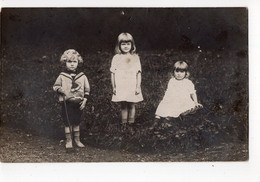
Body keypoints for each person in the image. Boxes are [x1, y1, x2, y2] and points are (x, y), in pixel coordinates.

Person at [53, 49, 90, 149]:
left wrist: (85, 100)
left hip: (79, 102)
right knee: (67, 121)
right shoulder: (62, 76)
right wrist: (60, 90)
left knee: (77, 121)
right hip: (67, 102)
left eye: (74, 62)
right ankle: (69, 141)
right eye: (69, 62)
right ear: (65, 63)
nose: (72, 64)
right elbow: (55, 86)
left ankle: (77, 140)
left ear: (78, 62)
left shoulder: (82, 76)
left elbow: (87, 89)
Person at [152, 61, 202, 127]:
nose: (179, 74)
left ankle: (171, 119)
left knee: (187, 106)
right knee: (163, 106)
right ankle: (156, 121)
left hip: (183, 100)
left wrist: (195, 102)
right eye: (177, 71)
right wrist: (165, 100)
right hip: (172, 99)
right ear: (173, 72)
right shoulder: (172, 81)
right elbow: (168, 92)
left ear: (186, 73)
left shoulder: (188, 82)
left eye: (182, 72)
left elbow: (193, 93)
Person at [110, 33, 143, 129]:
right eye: (123, 44)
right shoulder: (116, 58)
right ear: (119, 45)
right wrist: (114, 87)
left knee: (132, 104)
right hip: (121, 85)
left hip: (132, 85)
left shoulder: (135, 57)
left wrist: (138, 86)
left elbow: (138, 73)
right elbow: (113, 73)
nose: (126, 46)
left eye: (128, 44)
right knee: (123, 105)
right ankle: (124, 125)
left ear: (132, 45)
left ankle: (131, 124)